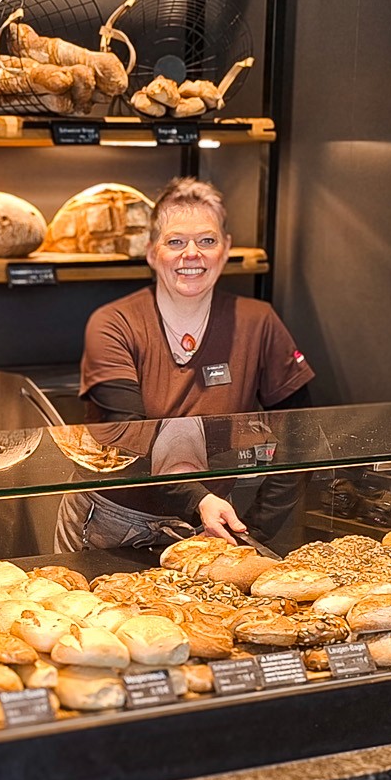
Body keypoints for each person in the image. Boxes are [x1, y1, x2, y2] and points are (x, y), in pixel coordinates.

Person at [55, 175, 315, 555]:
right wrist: (201, 500)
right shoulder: (113, 324)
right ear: (151, 252)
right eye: (175, 241)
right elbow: (134, 440)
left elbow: (302, 433)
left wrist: (258, 526)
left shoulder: (258, 323)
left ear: (226, 249)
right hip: (111, 525)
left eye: (206, 241)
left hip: (211, 526)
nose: (191, 253)